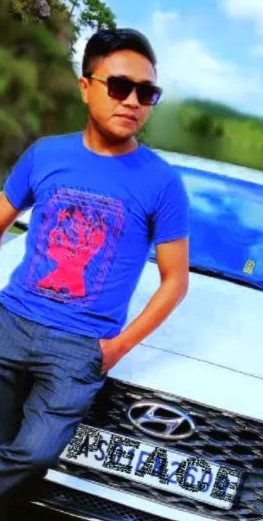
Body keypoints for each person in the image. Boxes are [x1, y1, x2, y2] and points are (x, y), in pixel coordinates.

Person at [0, 28, 190, 518]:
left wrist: (115, 348)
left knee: (35, 452)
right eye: (120, 86)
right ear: (87, 86)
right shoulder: (46, 154)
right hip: (10, 321)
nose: (133, 102)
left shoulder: (162, 183)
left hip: (80, 346)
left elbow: (175, 280)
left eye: (147, 94)